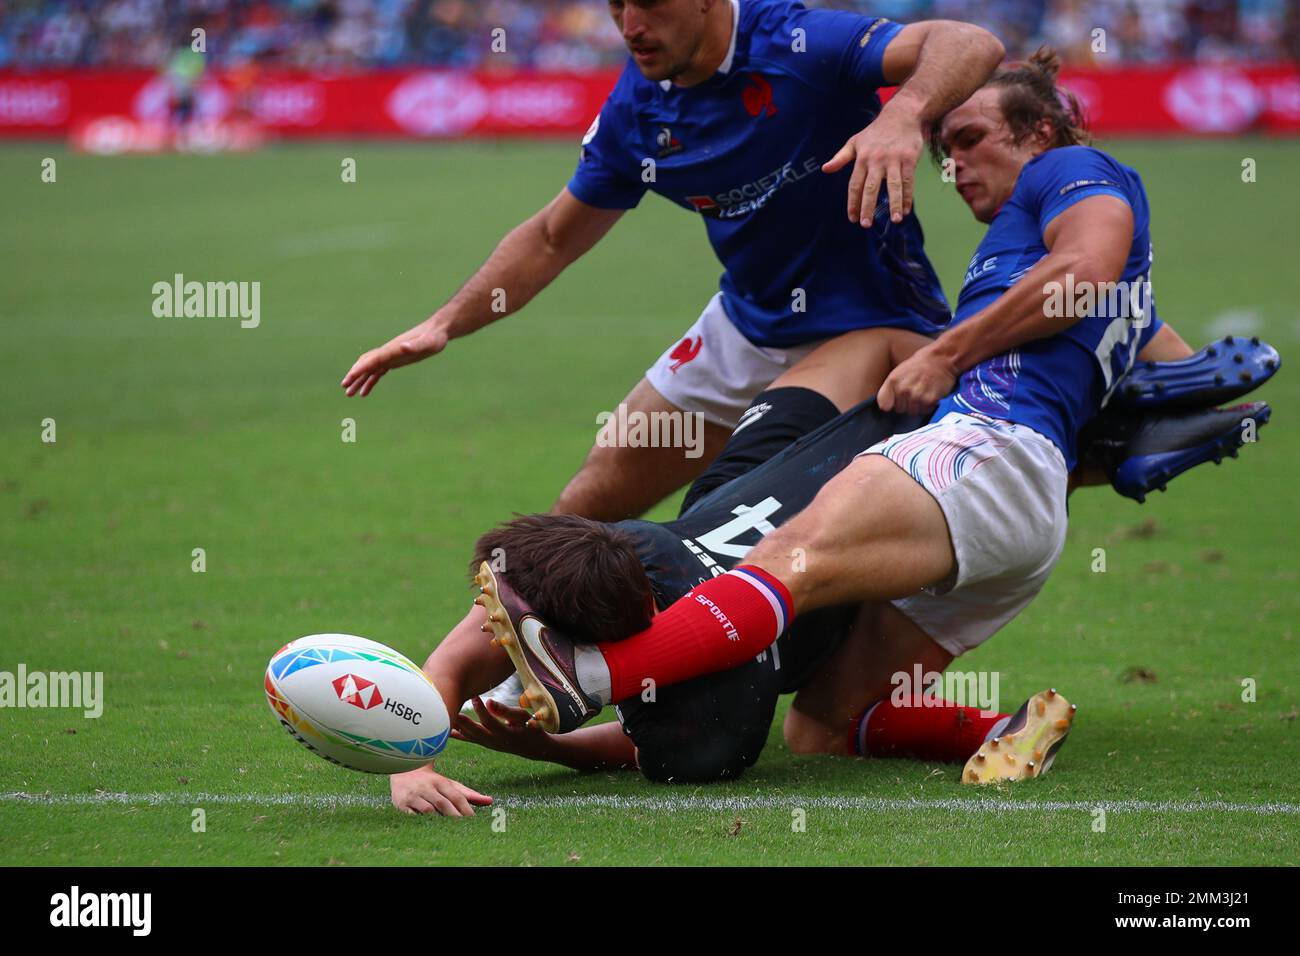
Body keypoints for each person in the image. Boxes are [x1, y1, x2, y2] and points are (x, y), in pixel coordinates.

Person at [479, 49, 1281, 758]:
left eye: (971, 140)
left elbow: (1087, 266)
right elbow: (1169, 380)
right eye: (943, 150)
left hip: (982, 452)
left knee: (787, 559)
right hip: (1027, 524)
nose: (955, 166)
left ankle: (594, 670)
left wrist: (946, 351)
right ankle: (993, 729)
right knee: (822, 727)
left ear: (1040, 131)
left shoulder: (1069, 172)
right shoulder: (1133, 309)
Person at [342, 1, 1006, 521]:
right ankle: (499, 681)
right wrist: (444, 325)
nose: (631, 26)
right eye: (616, 5)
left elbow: (972, 43)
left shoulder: (796, 43)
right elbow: (551, 238)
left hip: (875, 330)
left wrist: (905, 115)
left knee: (733, 525)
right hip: (744, 326)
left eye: (651, 3)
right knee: (583, 510)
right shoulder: (636, 112)